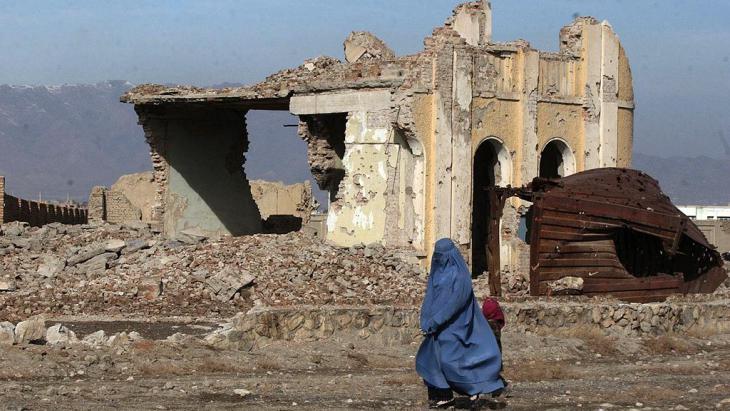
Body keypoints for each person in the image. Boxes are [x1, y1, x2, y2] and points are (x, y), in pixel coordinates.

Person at [416, 238, 504, 409]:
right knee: (433, 360)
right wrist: (425, 318)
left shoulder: (460, 275)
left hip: (458, 325)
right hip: (439, 328)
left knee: (455, 362)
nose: (440, 258)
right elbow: (431, 296)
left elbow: (455, 302)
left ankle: (474, 391)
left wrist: (437, 319)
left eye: (443, 255)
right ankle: (444, 396)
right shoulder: (437, 272)